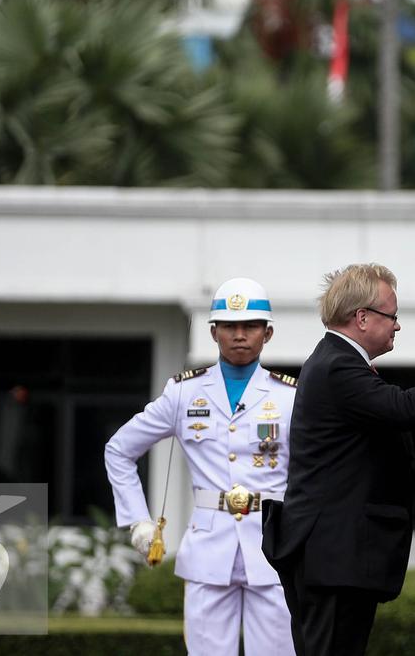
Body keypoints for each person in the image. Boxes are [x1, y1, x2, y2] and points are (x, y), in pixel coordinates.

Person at [261, 263, 415, 656]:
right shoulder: (337, 366)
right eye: (391, 315)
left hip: (335, 555)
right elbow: (409, 409)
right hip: (332, 555)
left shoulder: (339, 362)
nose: (397, 325)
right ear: (362, 318)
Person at [105, 277, 298, 656]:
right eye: (229, 326)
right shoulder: (184, 392)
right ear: (213, 332)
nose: (239, 335)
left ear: (268, 333)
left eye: (250, 326)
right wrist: (138, 519)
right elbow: (119, 449)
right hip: (209, 547)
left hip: (274, 546)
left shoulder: (290, 396)